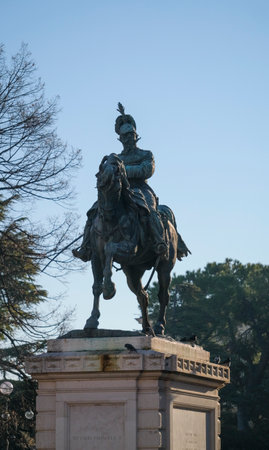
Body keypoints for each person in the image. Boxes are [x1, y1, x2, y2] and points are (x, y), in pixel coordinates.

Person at [73, 104, 188, 262]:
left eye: (130, 135)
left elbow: (146, 170)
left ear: (136, 135)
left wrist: (122, 170)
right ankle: (86, 247)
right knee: (94, 210)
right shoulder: (116, 158)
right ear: (120, 138)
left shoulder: (145, 154)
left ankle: (159, 242)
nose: (128, 139)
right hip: (120, 190)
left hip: (142, 190)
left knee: (150, 211)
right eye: (124, 136)